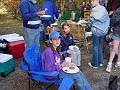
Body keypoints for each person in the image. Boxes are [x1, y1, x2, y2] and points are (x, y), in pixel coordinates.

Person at [88, 0, 110, 68]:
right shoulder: (103, 9)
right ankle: (100, 62)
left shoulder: (94, 10)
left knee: (95, 47)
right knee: (100, 46)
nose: (91, 2)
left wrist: (89, 24)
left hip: (96, 31)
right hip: (103, 31)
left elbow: (91, 22)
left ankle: (95, 64)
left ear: (97, 1)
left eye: (93, 0)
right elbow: (107, 19)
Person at [106, 6, 120, 72]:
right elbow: (113, 20)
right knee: (114, 48)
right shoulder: (118, 10)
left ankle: (118, 62)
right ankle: (109, 64)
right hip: (117, 31)